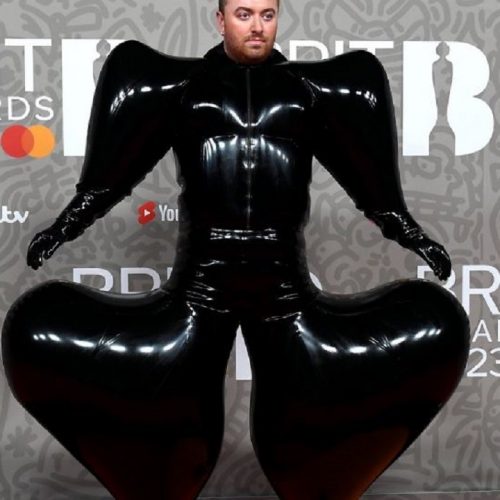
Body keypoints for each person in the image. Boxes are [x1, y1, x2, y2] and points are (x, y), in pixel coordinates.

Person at [2, 0, 469, 499]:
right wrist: (63, 228)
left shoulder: (310, 93)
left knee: (427, 332)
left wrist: (414, 236)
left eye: (268, 15)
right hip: (199, 289)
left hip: (285, 292)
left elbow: (373, 190)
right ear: (220, 19)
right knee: (50, 337)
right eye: (244, 14)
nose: (258, 26)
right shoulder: (182, 90)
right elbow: (110, 179)